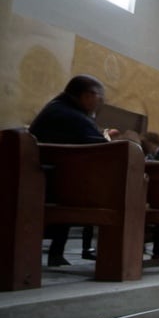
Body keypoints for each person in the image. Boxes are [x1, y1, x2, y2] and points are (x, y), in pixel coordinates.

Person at [28, 75, 116, 266]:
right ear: (87, 95)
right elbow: (106, 151)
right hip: (51, 184)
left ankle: (57, 253)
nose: (99, 103)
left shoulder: (57, 108)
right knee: (118, 191)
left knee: (71, 183)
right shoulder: (73, 116)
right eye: (100, 98)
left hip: (44, 179)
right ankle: (114, 257)